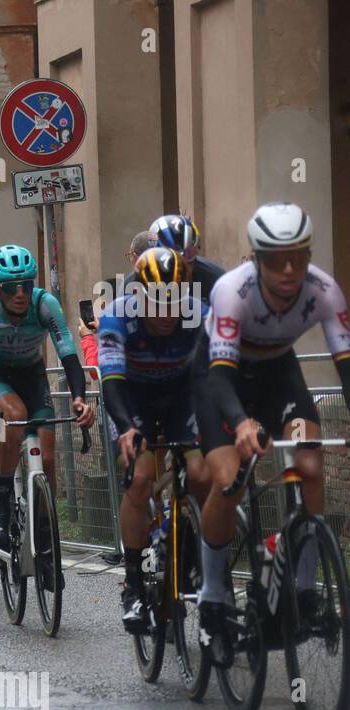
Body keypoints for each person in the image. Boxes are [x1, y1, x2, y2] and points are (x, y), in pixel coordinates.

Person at [193, 202, 350, 666]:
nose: (288, 269)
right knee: (229, 479)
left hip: (279, 374)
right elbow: (220, 376)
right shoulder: (231, 291)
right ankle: (214, 598)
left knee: (309, 461)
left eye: (298, 258)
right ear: (257, 259)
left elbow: (345, 366)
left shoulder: (324, 290)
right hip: (220, 379)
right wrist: (241, 423)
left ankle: (303, 590)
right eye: (276, 259)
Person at [98, 247, 211, 633]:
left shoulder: (201, 316)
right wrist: (127, 427)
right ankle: (132, 584)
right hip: (133, 399)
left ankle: (188, 546)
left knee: (201, 473)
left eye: (175, 299)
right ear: (138, 295)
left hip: (180, 398)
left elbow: (220, 375)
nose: (166, 312)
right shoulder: (117, 316)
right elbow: (111, 381)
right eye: (156, 301)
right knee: (142, 476)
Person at [0, 244, 95, 553]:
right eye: (11, 287)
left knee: (48, 458)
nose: (20, 293)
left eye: (26, 284)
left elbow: (70, 359)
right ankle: (1, 509)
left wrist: (79, 399)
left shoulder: (45, 304)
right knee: (15, 416)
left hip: (31, 375)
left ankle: (46, 537)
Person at [148, 214, 227, 305]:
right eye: (171, 261)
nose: (183, 268)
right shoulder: (135, 283)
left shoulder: (216, 279)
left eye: (189, 254)